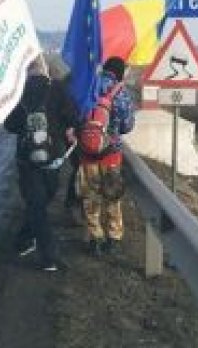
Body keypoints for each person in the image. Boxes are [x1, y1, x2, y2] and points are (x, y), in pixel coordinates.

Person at [3, 65, 77, 271]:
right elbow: (72, 117)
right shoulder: (59, 88)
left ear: (25, 72)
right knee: (45, 199)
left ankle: (26, 240)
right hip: (54, 156)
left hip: (27, 160)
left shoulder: (18, 92)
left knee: (36, 205)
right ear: (46, 71)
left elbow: (10, 125)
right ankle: (48, 255)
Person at [78, 56, 135, 257]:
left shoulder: (87, 86)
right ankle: (114, 238)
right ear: (119, 72)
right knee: (112, 195)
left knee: (90, 196)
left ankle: (95, 238)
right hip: (111, 155)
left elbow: (77, 115)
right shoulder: (121, 93)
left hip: (87, 152)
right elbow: (127, 126)